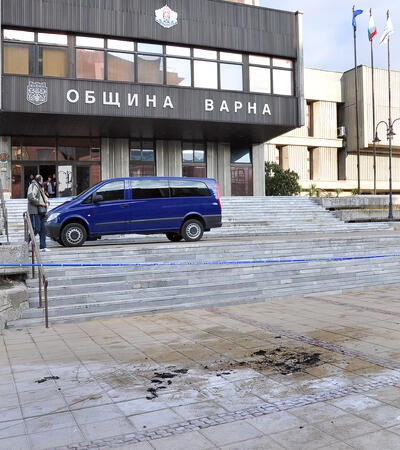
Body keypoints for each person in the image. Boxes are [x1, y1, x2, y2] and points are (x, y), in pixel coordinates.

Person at [27, 174, 50, 252]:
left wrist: (47, 203)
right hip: (34, 211)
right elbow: (30, 197)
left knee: (43, 229)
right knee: (36, 229)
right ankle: (25, 243)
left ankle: (43, 247)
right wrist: (41, 203)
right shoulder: (33, 185)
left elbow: (44, 197)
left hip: (41, 212)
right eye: (42, 180)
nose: (43, 181)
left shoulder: (39, 187)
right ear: (40, 180)